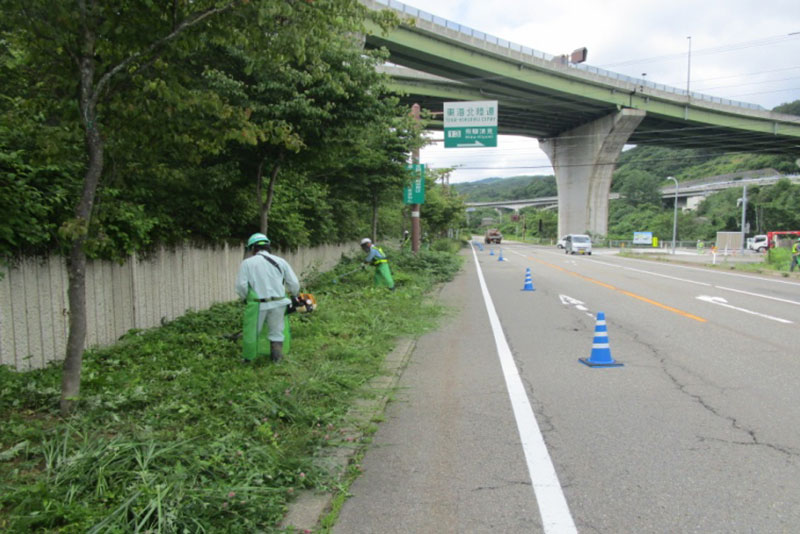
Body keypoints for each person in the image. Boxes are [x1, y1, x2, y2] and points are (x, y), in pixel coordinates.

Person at [236, 233, 300, 362]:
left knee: (252, 332)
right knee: (277, 331)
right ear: (268, 247)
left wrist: (244, 298)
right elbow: (294, 283)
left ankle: (248, 359)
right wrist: (294, 295)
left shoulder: (247, 263)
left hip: (258, 305)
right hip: (279, 303)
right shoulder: (281, 261)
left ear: (253, 248)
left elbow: (241, 286)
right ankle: (276, 359)